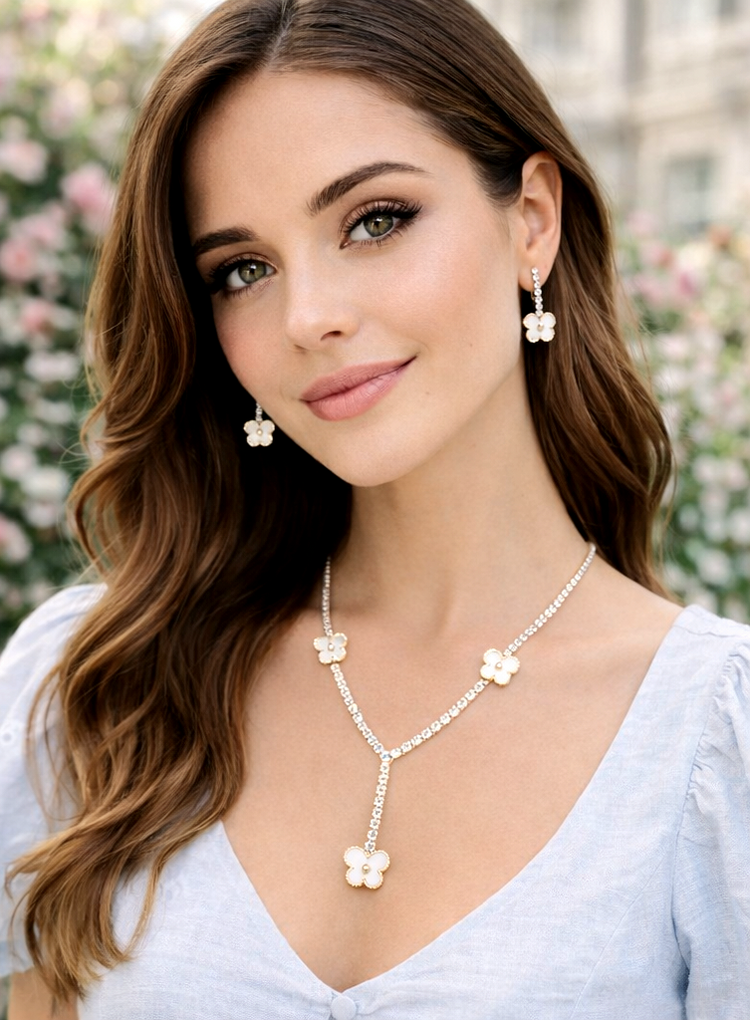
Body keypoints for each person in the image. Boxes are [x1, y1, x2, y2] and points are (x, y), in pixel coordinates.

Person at [2, 0, 749, 1016]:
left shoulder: (713, 743)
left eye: (375, 220)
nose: (309, 315)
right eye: (243, 270)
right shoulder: (94, 685)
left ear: (532, 219)